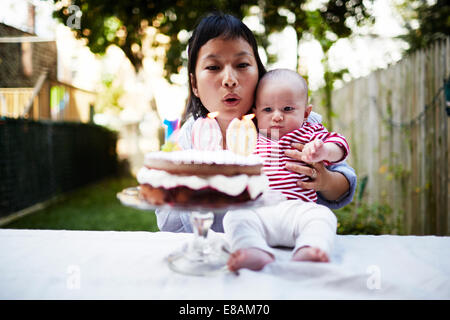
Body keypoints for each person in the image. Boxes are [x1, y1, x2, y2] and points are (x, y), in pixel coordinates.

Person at [155, 12, 357, 233]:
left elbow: (343, 185)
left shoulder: (289, 123)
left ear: (259, 72)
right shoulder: (185, 139)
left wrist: (325, 180)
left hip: (281, 248)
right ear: (194, 83)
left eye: (242, 64)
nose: (229, 80)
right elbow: (167, 224)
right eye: (213, 67)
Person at [224, 69, 348, 272]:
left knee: (322, 216)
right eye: (267, 110)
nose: (277, 117)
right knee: (234, 217)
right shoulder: (250, 136)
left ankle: (311, 248)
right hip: (258, 209)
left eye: (287, 109)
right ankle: (253, 249)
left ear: (306, 113)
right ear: (255, 112)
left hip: (297, 209)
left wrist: (324, 150)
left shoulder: (310, 132)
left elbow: (340, 144)